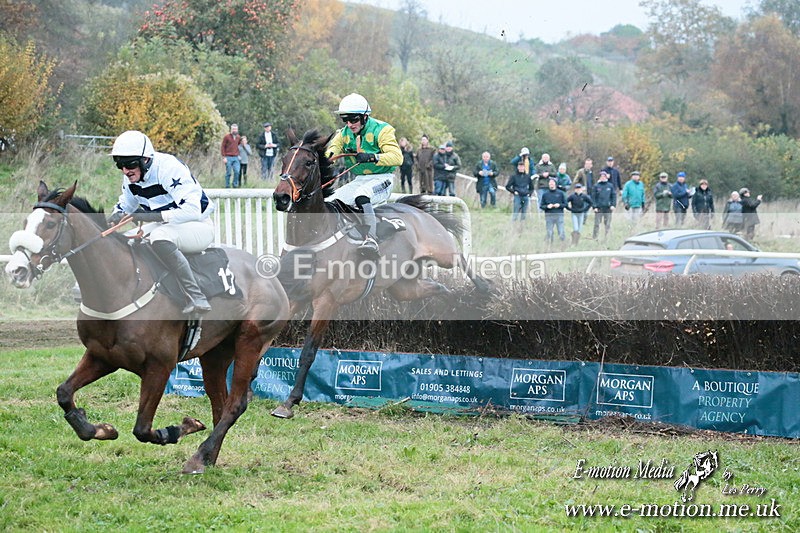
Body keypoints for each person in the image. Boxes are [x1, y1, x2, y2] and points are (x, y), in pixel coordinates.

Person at [107, 130, 215, 315]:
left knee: (159, 235)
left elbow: (193, 210)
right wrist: (116, 214)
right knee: (124, 241)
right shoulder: (131, 177)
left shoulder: (169, 168)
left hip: (198, 225)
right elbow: (126, 204)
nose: (125, 170)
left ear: (146, 160)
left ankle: (196, 296)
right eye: (120, 165)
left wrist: (153, 216)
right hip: (167, 226)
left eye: (130, 164)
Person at [326, 93, 402, 256]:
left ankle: (372, 239)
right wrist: (327, 158)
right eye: (345, 119)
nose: (349, 124)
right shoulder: (343, 134)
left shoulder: (383, 130)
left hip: (383, 179)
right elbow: (332, 151)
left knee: (361, 195)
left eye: (353, 119)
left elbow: (398, 157)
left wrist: (372, 157)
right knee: (330, 201)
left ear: (365, 117)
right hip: (360, 180)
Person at [539, 178, 567, 248]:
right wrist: (547, 206)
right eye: (550, 183)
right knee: (549, 232)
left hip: (559, 215)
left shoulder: (560, 193)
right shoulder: (545, 194)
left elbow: (565, 204)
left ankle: (563, 246)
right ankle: (550, 246)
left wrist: (559, 205)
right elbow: (541, 206)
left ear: (555, 184)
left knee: (561, 232)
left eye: (552, 182)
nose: (551, 184)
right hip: (549, 215)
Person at [591, 170, 616, 240]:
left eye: (604, 176)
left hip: (608, 208)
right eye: (601, 176)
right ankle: (595, 237)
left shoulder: (610, 186)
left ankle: (607, 237)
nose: (602, 178)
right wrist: (594, 206)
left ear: (606, 177)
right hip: (599, 208)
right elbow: (593, 197)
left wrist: (613, 205)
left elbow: (613, 196)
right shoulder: (596, 186)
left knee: (607, 224)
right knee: (597, 224)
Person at [221, 123, 241, 188]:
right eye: (233, 129)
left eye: (235, 129)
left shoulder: (238, 137)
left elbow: (239, 146)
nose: (234, 130)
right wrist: (224, 157)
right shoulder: (227, 137)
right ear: (231, 130)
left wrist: (239, 155)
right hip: (228, 156)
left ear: (237, 130)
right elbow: (223, 146)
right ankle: (227, 186)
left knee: (237, 171)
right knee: (228, 172)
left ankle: (235, 185)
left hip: (236, 157)